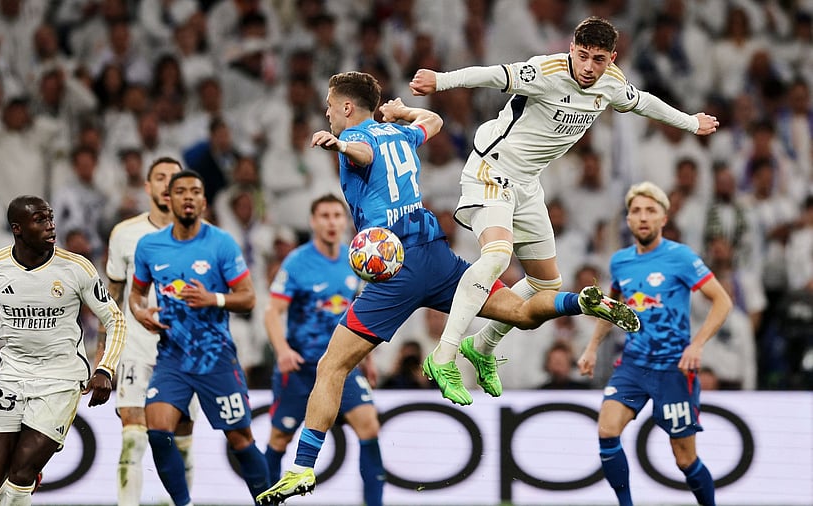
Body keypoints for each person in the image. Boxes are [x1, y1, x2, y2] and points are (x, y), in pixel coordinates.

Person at [256, 71, 639, 505]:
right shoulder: (400, 133)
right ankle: (579, 300)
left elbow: (362, 154)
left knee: (332, 367)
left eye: (330, 104)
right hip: (436, 255)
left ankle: (303, 469)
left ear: (347, 107)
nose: (326, 112)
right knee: (518, 312)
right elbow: (433, 122)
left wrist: (341, 145)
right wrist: (404, 112)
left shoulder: (356, 139)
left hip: (395, 267)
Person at [408, 16, 719, 403]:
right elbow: (491, 75)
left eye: (599, 59)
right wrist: (441, 80)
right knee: (497, 256)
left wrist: (690, 122)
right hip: (492, 170)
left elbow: (643, 103)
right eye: (583, 56)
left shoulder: (611, 83)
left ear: (612, 58)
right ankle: (445, 354)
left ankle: (482, 345)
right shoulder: (545, 70)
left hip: (527, 185)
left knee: (545, 284)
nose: (589, 67)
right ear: (572, 49)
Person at [0, 195, 126, 505]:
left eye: (51, 218)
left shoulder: (77, 268)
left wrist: (105, 369)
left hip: (61, 378)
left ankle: (27, 481)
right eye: (40, 220)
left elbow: (116, 320)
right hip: (14, 375)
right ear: (17, 229)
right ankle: (28, 483)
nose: (51, 226)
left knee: (20, 474)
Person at [577, 182, 733, 506]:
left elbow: (722, 302)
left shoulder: (682, 257)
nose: (643, 217)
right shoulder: (620, 261)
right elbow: (613, 308)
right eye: (636, 211)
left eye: (651, 211)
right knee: (607, 430)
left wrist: (697, 345)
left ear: (664, 218)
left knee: (684, 459)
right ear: (629, 220)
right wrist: (592, 347)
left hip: (674, 367)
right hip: (633, 364)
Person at [128, 170, 269, 506]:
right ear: (169, 199)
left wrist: (214, 299)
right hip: (172, 357)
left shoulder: (221, 243)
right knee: (158, 432)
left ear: (204, 202)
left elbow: (248, 298)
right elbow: (136, 293)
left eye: (195, 191)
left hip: (216, 357)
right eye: (180, 191)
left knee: (240, 438)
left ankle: (269, 502)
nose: (188, 197)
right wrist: (139, 312)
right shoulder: (149, 246)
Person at [264, 193, 384, 506]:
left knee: (369, 425)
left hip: (341, 366)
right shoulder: (297, 262)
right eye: (325, 216)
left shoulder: (356, 259)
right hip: (301, 366)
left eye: (337, 216)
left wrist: (366, 358)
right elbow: (271, 312)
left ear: (345, 221)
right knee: (280, 438)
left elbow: (359, 315)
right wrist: (282, 351)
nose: (332, 222)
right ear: (313, 222)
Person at [100, 157, 197, 506]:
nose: (166, 183)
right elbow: (110, 297)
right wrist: (104, 356)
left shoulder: (202, 234)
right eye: (159, 177)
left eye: (173, 177)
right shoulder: (124, 234)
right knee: (134, 438)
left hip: (186, 351)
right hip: (136, 348)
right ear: (148, 187)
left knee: (180, 440)